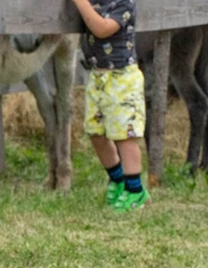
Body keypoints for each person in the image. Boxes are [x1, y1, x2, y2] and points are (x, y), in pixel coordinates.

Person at [70, 0, 150, 210]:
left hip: (122, 79)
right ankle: (117, 179)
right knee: (96, 133)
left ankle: (136, 191)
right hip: (98, 78)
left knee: (125, 136)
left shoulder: (124, 3)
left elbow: (102, 29)